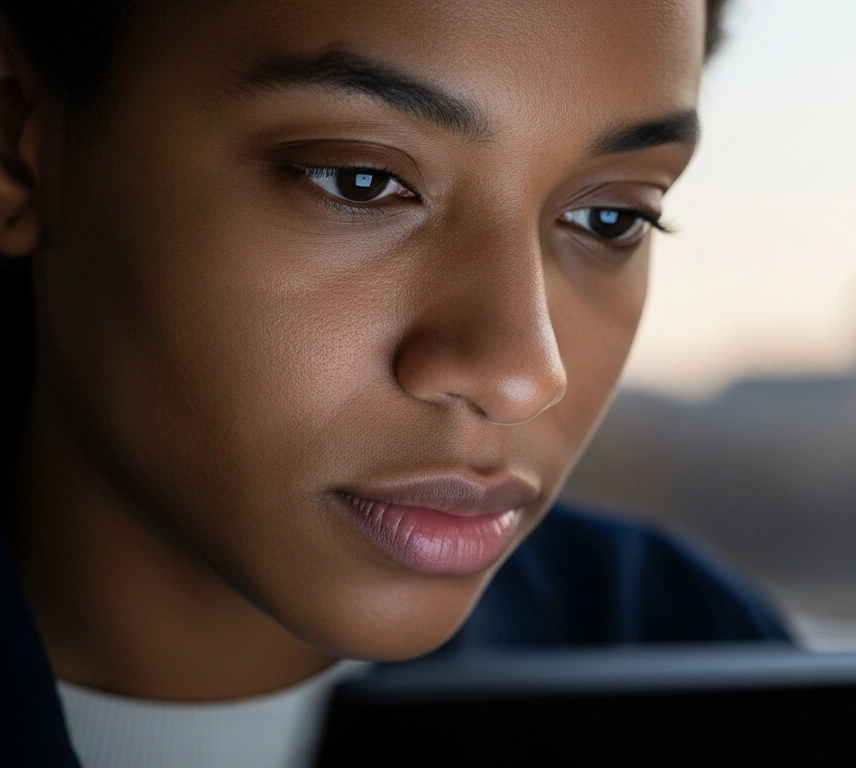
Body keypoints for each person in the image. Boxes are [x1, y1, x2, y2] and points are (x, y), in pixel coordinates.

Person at [0, 1, 790, 765]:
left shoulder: (712, 673)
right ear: (17, 141)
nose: (520, 377)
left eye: (612, 219)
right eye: (359, 183)